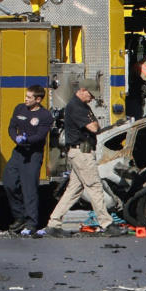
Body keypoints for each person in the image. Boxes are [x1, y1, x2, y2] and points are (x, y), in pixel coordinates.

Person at [39, 78, 124, 237]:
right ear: (83, 90)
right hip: (81, 153)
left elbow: (96, 127)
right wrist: (94, 124)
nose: (92, 98)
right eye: (91, 95)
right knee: (95, 186)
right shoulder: (76, 106)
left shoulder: (83, 106)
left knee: (74, 190)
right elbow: (93, 127)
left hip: (81, 153)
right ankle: (106, 223)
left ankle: (54, 223)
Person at [3, 85, 54, 236]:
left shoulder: (45, 116)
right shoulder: (20, 109)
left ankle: (31, 223)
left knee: (29, 189)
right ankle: (19, 216)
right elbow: (11, 128)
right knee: (9, 183)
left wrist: (27, 140)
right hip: (18, 152)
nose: (26, 99)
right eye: (26, 96)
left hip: (33, 154)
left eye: (29, 97)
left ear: (38, 100)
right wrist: (16, 138)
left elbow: (40, 136)